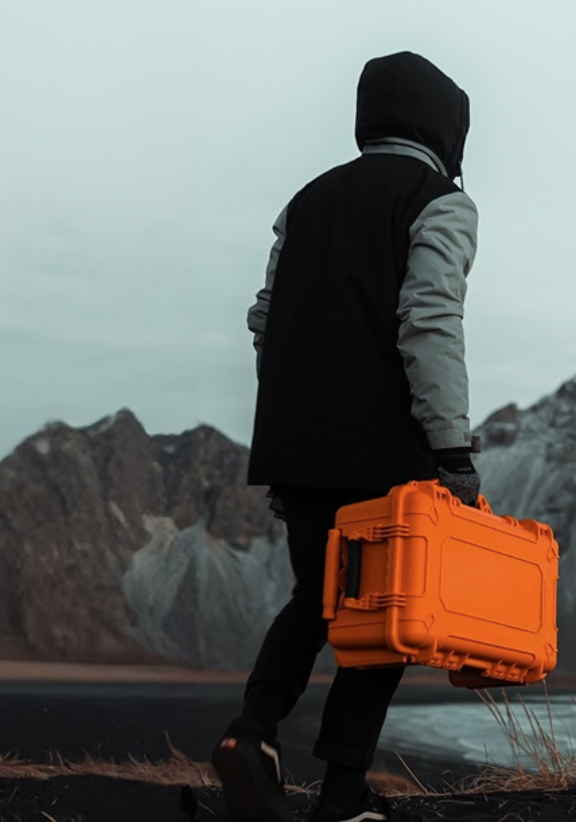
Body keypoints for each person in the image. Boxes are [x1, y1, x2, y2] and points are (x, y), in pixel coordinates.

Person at [212, 51, 480, 822]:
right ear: (446, 126)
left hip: (299, 441)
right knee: (386, 617)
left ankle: (252, 733)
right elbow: (429, 323)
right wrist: (451, 448)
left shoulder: (306, 201)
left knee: (315, 597)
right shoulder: (439, 203)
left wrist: (290, 439)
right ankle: (341, 796)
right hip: (386, 451)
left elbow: (267, 320)